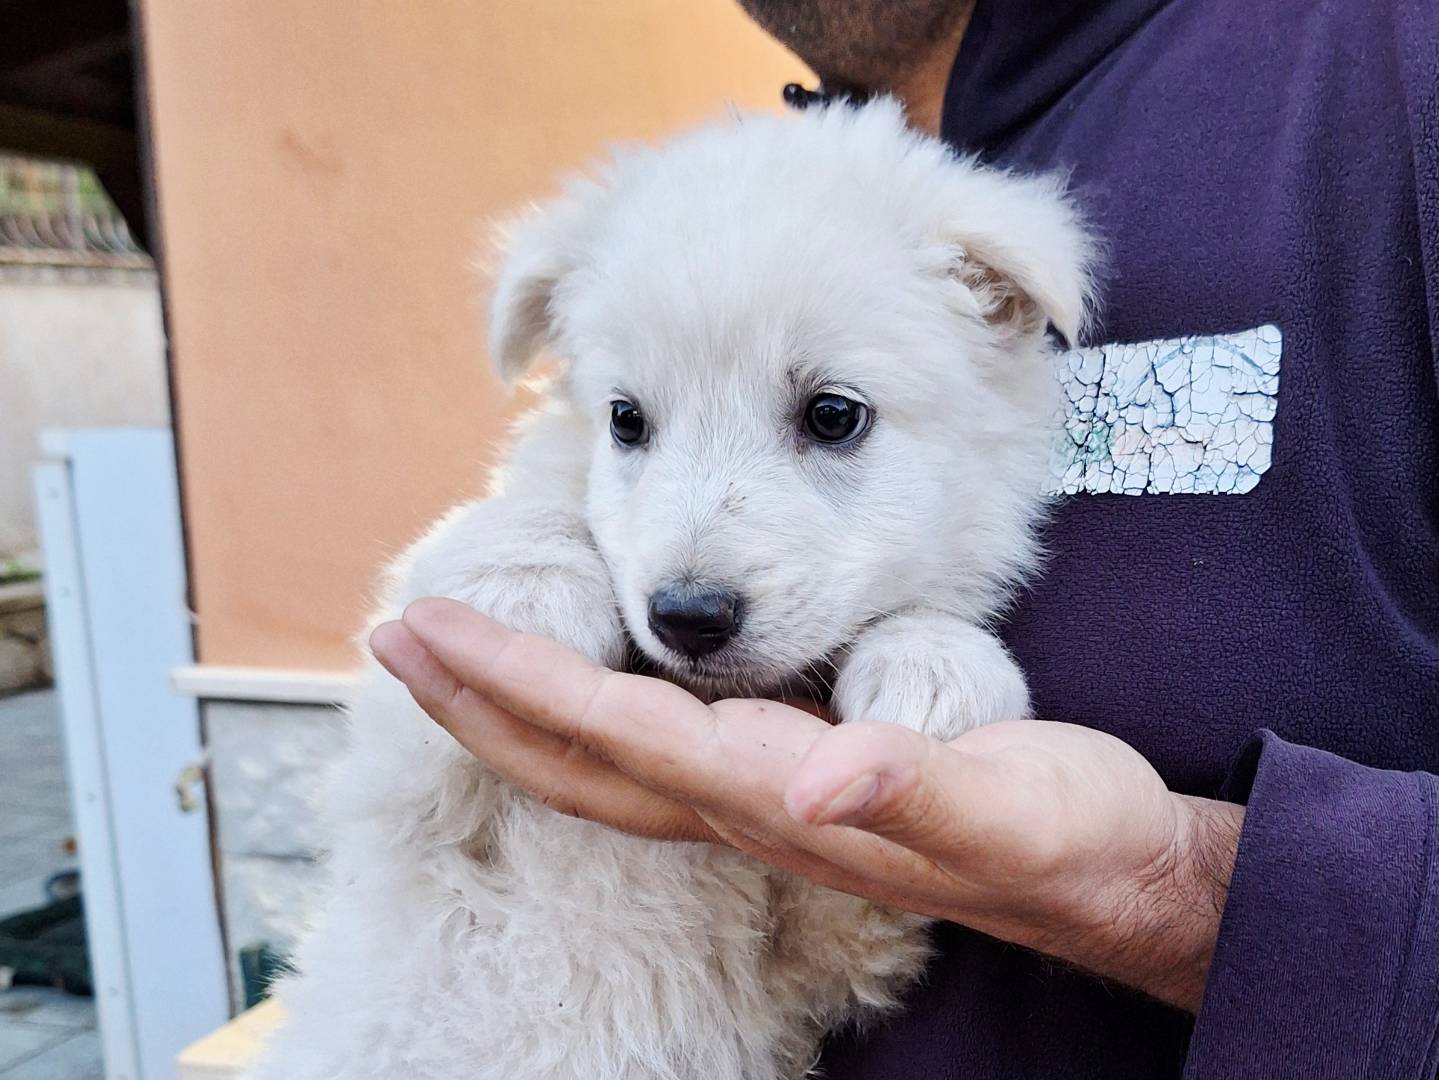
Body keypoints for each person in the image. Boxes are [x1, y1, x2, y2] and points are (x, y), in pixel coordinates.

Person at [370, 0, 1439, 1075]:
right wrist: (543, 539)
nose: (687, 573)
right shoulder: (727, 211)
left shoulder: (1386, 68)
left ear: (1003, 306)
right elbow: (405, 780)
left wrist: (1165, 885)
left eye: (827, 418)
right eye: (631, 421)